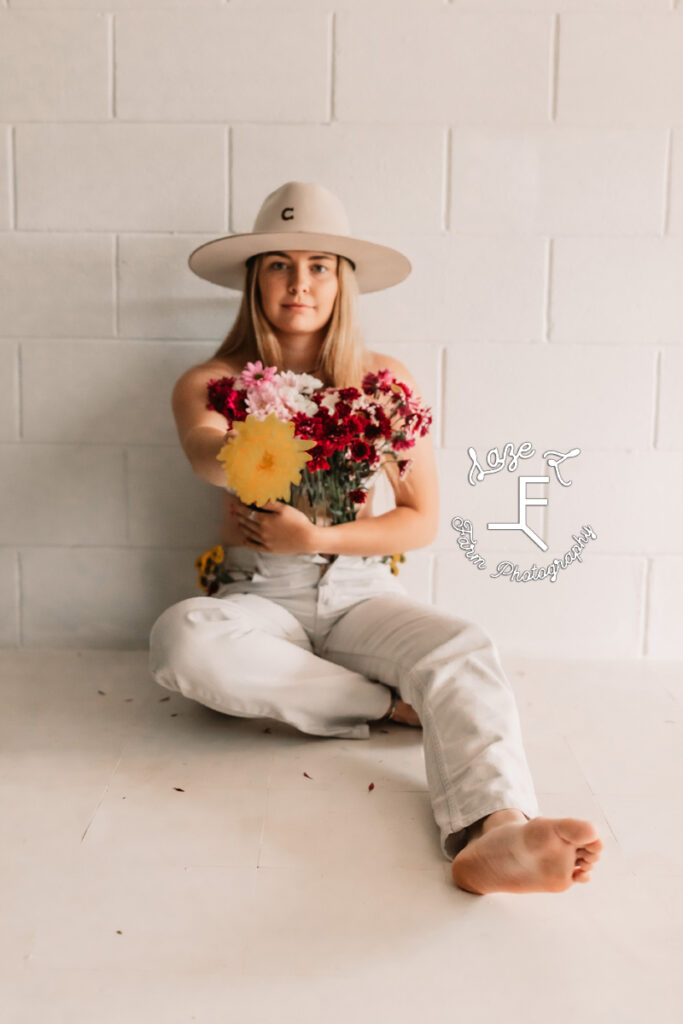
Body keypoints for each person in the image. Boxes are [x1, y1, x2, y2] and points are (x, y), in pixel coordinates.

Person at [148, 181, 603, 895]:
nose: (299, 283)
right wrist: (251, 449)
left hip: (360, 591)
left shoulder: (385, 382)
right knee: (182, 639)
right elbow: (205, 453)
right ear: (254, 279)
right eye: (279, 265)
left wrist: (317, 534)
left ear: (342, 282)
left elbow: (417, 518)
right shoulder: (211, 381)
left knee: (462, 645)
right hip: (260, 595)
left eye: (319, 266)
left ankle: (497, 831)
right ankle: (387, 703)